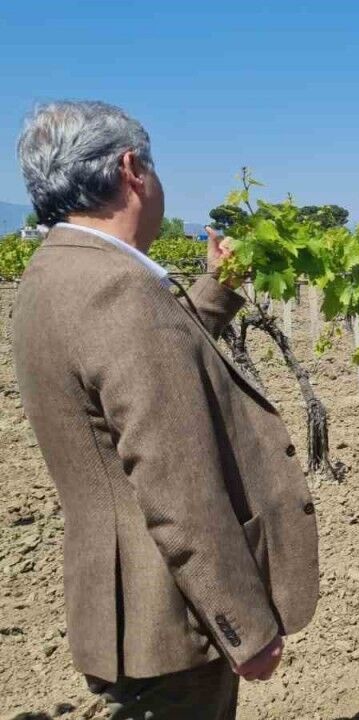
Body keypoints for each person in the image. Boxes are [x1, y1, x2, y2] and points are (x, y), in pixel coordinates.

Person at [12, 101, 319, 718]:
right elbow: (177, 485)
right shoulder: (119, 290)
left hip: (126, 611)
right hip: (174, 619)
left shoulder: (53, 274)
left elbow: (141, 364)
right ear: (132, 170)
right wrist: (242, 625)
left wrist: (217, 290)